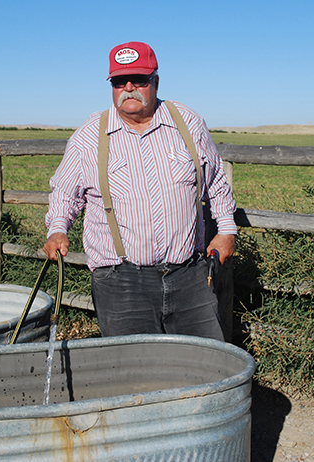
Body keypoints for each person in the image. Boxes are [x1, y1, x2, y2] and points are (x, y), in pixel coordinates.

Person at [43, 41, 236, 341]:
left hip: (190, 274)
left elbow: (216, 180)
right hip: (120, 282)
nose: (129, 87)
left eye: (139, 80)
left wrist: (226, 230)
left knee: (205, 364)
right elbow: (65, 192)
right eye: (120, 81)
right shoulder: (89, 135)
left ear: (155, 82)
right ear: (112, 86)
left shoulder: (187, 122)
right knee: (134, 372)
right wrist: (57, 229)